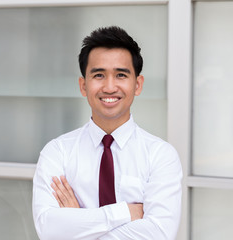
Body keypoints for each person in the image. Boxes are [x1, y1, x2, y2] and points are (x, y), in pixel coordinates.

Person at [32, 26, 182, 240]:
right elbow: (48, 230)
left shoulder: (160, 155)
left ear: (137, 85)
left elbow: (158, 234)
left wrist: (78, 220)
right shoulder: (58, 152)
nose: (110, 87)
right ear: (83, 86)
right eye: (99, 75)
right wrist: (124, 212)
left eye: (121, 75)